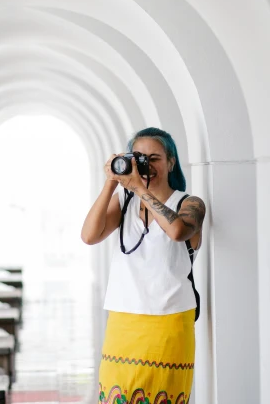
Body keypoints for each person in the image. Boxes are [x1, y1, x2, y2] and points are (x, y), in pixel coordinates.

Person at [81, 127, 206, 404]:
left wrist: (138, 186)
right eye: (138, 158)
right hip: (124, 321)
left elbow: (177, 232)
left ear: (171, 161)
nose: (146, 165)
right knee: (117, 396)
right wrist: (111, 183)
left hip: (170, 321)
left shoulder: (190, 203)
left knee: (162, 396)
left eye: (154, 158)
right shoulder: (125, 202)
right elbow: (89, 236)